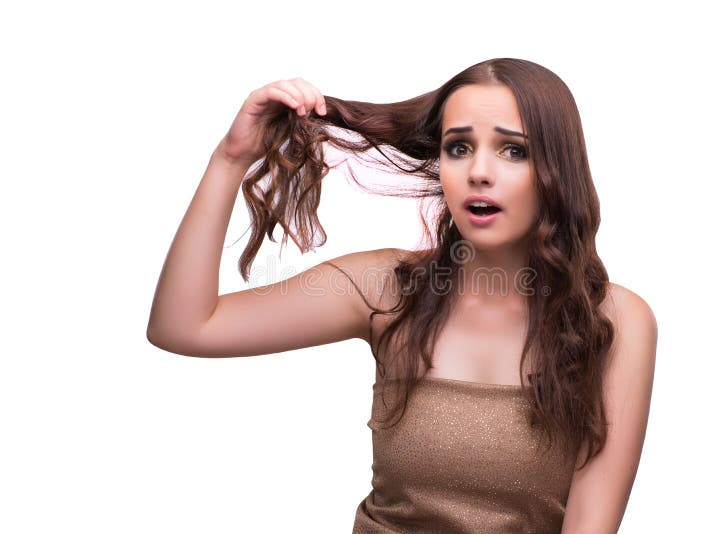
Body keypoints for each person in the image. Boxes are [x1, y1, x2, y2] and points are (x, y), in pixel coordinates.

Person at [146, 58, 658, 534]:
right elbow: (184, 326)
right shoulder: (387, 288)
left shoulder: (615, 321)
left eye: (513, 149)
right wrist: (229, 160)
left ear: (557, 170)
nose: (479, 171)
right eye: (459, 147)